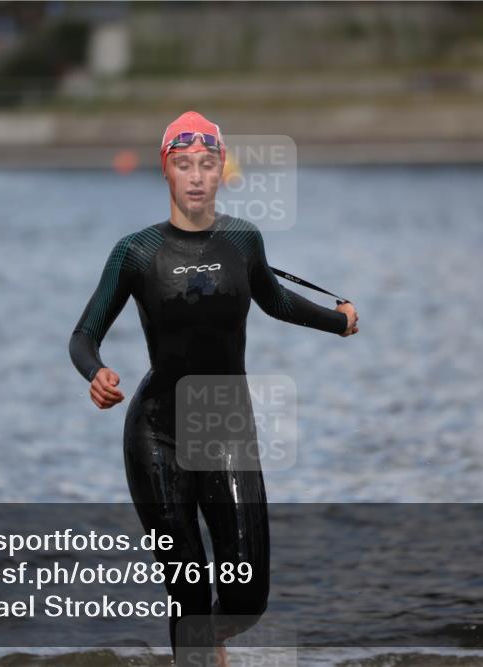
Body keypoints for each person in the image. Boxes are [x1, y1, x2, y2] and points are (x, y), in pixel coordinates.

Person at [69, 110, 358, 665]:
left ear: (221, 168)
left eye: (206, 163)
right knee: (189, 590)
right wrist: (96, 373)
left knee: (247, 598)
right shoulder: (136, 251)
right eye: (184, 165)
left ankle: (204, 643)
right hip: (156, 430)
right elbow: (84, 335)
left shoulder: (244, 241)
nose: (196, 176)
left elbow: (276, 300)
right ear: (166, 171)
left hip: (223, 423)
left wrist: (337, 320)